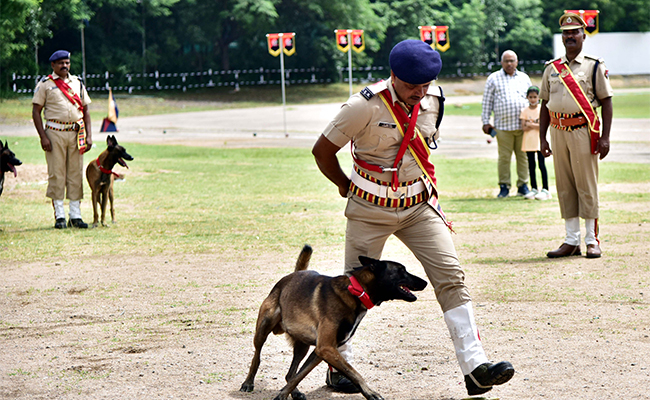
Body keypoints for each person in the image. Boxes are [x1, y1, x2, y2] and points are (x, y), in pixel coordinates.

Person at [312, 39, 514, 397]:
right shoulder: (364, 106)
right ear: (393, 76)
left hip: (418, 206)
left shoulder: (433, 99)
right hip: (369, 209)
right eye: (411, 86)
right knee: (351, 291)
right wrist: (346, 186)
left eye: (425, 85)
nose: (419, 93)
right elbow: (323, 150)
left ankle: (475, 368)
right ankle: (337, 365)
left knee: (451, 276)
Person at [539, 12, 613, 259]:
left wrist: (605, 137)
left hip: (583, 131)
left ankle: (592, 240)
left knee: (586, 186)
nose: (570, 36)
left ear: (583, 35)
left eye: (574, 32)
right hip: (558, 132)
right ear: (562, 37)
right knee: (565, 186)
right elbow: (544, 105)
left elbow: (606, 101)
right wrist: (542, 138)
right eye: (566, 33)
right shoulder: (552, 68)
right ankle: (571, 241)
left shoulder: (594, 66)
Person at [32, 50, 93, 229]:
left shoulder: (77, 83)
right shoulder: (45, 85)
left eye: (67, 62)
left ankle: (75, 215)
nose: (64, 66)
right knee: (57, 173)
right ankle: (59, 216)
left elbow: (86, 111)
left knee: (75, 173)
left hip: (76, 133)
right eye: (60, 63)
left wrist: (89, 135)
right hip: (54, 133)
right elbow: (36, 111)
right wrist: (43, 136)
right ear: (53, 65)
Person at [481, 50, 532, 198]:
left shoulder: (524, 78)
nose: (509, 64)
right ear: (502, 62)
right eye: (506, 61)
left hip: (523, 126)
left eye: (512, 61)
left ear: (517, 62)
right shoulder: (493, 78)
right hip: (502, 127)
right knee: (504, 158)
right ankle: (504, 186)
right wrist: (485, 122)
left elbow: (532, 100)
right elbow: (487, 101)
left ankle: (523, 185)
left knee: (523, 157)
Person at [520, 86, 551, 200]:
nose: (533, 99)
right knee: (531, 166)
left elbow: (543, 125)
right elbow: (524, 127)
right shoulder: (524, 111)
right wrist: (533, 125)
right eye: (530, 97)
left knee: (541, 165)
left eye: (535, 97)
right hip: (528, 141)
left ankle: (545, 189)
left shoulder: (541, 110)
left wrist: (531, 125)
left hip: (539, 142)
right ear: (527, 97)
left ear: (539, 97)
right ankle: (533, 188)